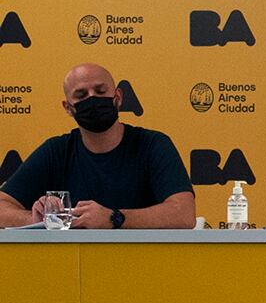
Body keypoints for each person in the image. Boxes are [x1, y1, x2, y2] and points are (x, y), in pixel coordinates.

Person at [0, 63, 195, 229]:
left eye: (100, 91)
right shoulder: (55, 151)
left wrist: (113, 218)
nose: (92, 99)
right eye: (81, 95)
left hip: (143, 263)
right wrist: (40, 219)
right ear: (68, 107)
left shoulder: (153, 144)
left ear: (118, 97)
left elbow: (184, 214)